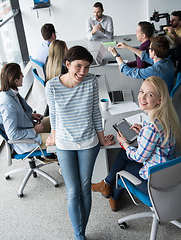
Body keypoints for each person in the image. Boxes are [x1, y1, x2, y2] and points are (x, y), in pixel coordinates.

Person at [45, 46, 115, 240]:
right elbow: (54, 116)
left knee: (85, 188)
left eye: (86, 67)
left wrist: (101, 138)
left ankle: (80, 233)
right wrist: (53, 136)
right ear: (67, 64)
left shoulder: (91, 81)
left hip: (88, 143)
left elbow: (95, 112)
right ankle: (79, 234)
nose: (82, 72)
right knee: (73, 191)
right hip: (65, 145)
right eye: (78, 66)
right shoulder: (52, 86)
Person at [91, 76, 181, 211]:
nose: (142, 97)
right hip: (167, 171)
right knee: (123, 155)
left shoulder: (152, 128)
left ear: (159, 100)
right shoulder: (166, 117)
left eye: (149, 94)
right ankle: (106, 185)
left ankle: (112, 194)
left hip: (155, 182)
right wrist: (141, 134)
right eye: (141, 91)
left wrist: (124, 143)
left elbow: (139, 157)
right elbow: (155, 142)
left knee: (124, 166)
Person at [0, 63, 53, 158]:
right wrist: (34, 131)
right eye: (21, 74)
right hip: (26, 141)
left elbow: (17, 113)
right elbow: (12, 135)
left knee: (53, 119)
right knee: (59, 140)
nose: (23, 76)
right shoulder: (7, 104)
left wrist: (31, 116)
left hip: (29, 126)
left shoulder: (10, 92)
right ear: (15, 80)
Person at [108, 36, 175, 93]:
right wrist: (127, 47)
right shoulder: (168, 62)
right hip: (165, 93)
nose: (148, 50)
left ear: (153, 53)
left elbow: (130, 72)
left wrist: (116, 55)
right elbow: (145, 56)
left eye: (149, 48)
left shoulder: (155, 70)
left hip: (160, 98)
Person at [166, 10, 181, 75]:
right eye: (171, 19)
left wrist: (173, 33)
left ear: (179, 22)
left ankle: (179, 69)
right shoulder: (168, 27)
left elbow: (179, 41)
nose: (171, 21)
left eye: (173, 20)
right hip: (171, 48)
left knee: (179, 48)